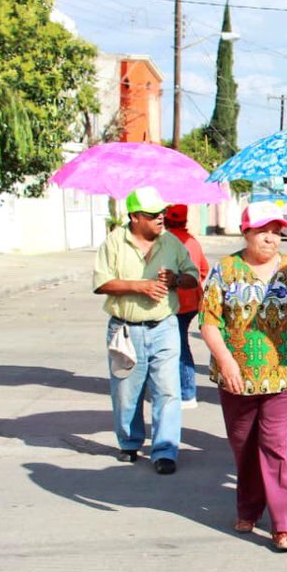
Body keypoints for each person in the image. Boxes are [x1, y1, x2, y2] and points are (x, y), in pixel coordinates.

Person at [199, 202, 287, 551]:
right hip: (236, 378)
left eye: (276, 231)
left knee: (275, 446)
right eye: (262, 231)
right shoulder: (225, 270)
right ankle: (248, 507)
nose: (271, 238)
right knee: (243, 446)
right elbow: (209, 322)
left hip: (283, 375)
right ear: (246, 233)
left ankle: (283, 523)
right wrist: (225, 360)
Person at [93, 186, 199, 473]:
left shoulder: (172, 243)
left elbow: (193, 277)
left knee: (168, 389)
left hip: (164, 326)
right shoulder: (114, 243)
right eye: (153, 215)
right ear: (135, 216)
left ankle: (165, 449)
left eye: (162, 213)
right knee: (127, 391)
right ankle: (129, 442)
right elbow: (101, 283)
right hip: (125, 330)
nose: (160, 218)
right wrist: (139, 286)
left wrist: (178, 279)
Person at [163, 204, 211, 409]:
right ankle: (180, 389)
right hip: (193, 301)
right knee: (179, 343)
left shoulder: (165, 242)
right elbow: (204, 269)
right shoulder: (192, 241)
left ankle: (186, 392)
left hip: (173, 303)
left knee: (179, 345)